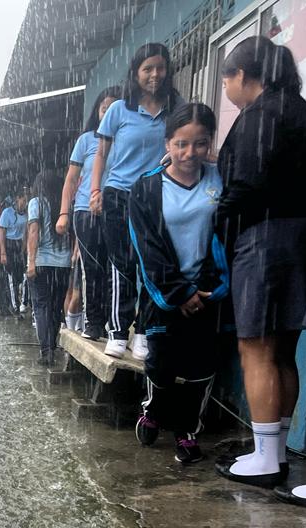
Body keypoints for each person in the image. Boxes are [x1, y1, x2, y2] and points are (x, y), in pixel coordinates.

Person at [210, 37, 306, 491]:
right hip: (301, 238)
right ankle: (277, 449)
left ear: (242, 77)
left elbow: (247, 185)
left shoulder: (259, 117)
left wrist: (218, 218)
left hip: (264, 239)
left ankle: (266, 457)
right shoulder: (299, 111)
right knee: (284, 349)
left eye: (226, 79)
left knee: (255, 347)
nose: (227, 89)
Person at [130, 102, 229, 464]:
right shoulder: (145, 189)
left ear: (209, 144)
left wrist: (209, 288)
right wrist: (178, 292)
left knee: (202, 367)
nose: (190, 153)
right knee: (161, 363)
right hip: (163, 294)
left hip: (208, 292)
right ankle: (153, 410)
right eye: (181, 144)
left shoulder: (220, 181)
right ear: (168, 143)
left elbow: (226, 237)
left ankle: (188, 432)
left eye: (200, 144)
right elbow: (147, 248)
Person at [91, 43, 182, 360]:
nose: (155, 74)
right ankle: (118, 330)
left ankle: (143, 331)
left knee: (150, 264)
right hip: (118, 194)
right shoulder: (119, 109)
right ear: (136, 73)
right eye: (148, 69)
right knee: (122, 263)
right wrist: (95, 192)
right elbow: (101, 154)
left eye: (160, 67)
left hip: (156, 196)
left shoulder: (175, 107)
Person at [58, 86, 121, 339]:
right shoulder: (86, 140)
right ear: (97, 111)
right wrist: (64, 213)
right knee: (93, 269)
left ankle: (113, 322)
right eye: (105, 107)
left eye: (115, 108)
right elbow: (71, 180)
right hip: (86, 211)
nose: (109, 112)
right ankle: (94, 322)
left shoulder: (127, 138)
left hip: (118, 209)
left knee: (117, 267)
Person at [26, 170, 73, 367]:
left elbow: (34, 232)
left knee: (41, 307)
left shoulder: (36, 203)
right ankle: (51, 347)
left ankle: (46, 352)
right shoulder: (65, 206)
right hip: (63, 265)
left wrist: (31, 262)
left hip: (42, 263)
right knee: (55, 308)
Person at [0, 190, 28, 316]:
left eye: (27, 201)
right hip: (9, 246)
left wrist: (24, 249)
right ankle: (13, 306)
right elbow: (2, 233)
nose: (25, 203)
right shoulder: (7, 212)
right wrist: (3, 253)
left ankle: (20, 304)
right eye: (24, 200)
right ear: (17, 198)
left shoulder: (27, 213)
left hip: (21, 246)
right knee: (11, 278)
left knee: (21, 277)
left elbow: (27, 233)